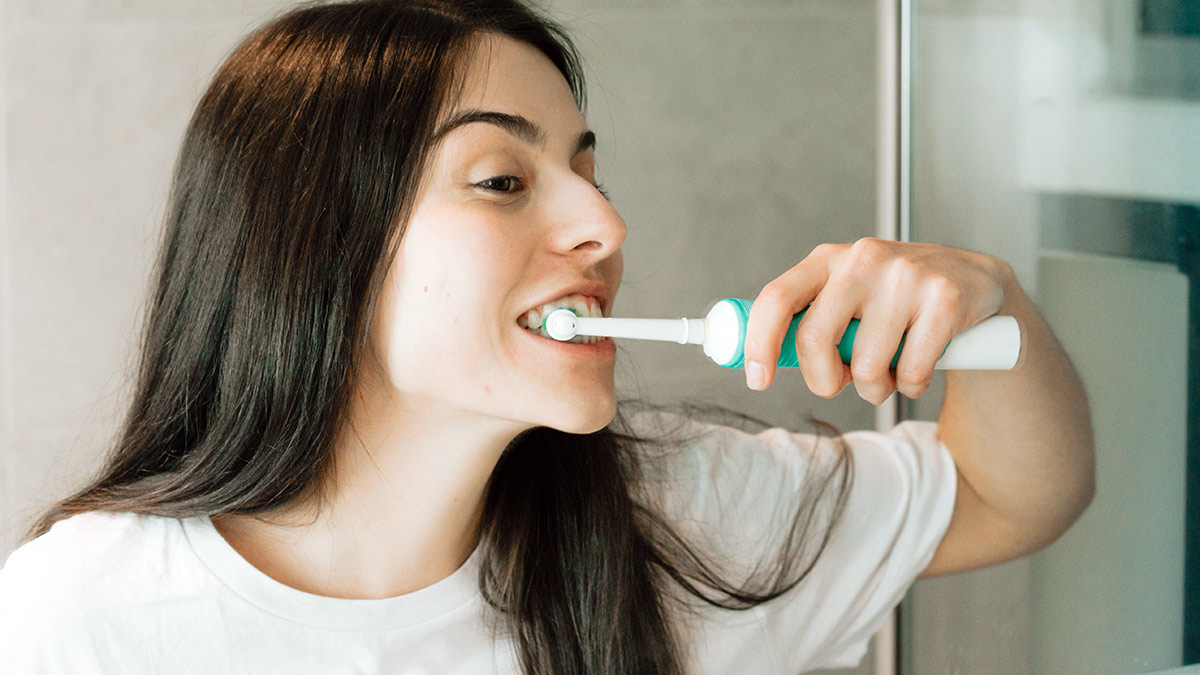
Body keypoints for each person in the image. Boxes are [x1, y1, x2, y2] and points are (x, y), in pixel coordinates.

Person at [0, 1, 1094, 673]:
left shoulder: (675, 524)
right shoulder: (76, 625)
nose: (605, 226)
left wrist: (988, 301)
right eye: (503, 179)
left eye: (585, 168)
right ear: (315, 242)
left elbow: (1016, 492)